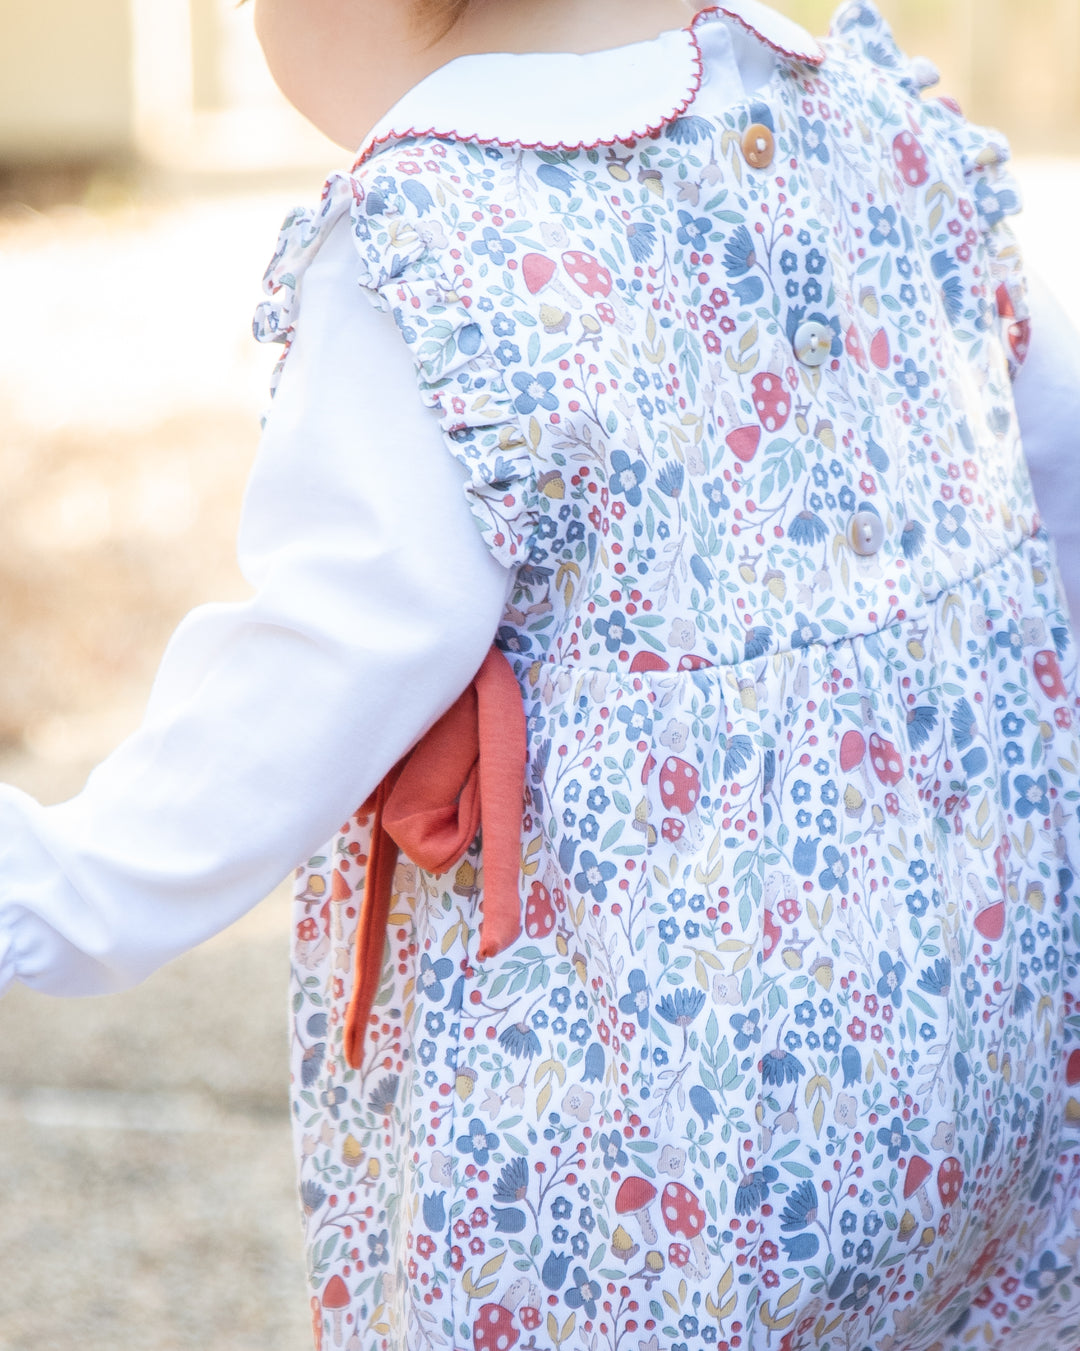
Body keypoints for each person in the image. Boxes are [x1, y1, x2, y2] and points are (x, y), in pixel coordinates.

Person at [4, 0, 1080, 1347]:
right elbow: (1055, 476)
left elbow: (329, 662)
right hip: (982, 1071)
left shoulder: (442, 242)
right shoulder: (880, 125)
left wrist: (60, 892)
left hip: (656, 1175)